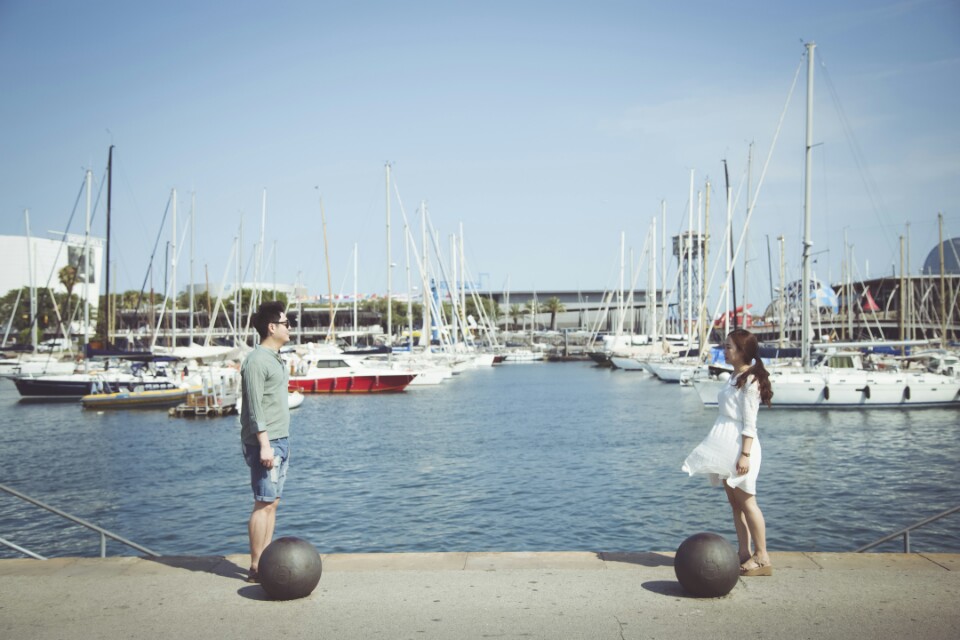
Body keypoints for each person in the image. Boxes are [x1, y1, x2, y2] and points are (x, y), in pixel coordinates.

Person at [682, 328, 774, 576]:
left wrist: (745, 455)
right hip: (726, 448)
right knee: (735, 504)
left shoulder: (751, 381)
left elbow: (750, 424)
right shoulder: (734, 376)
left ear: (742, 351)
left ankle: (762, 556)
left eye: (729, 347)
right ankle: (744, 553)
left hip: (741, 449)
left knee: (748, 502)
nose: (724, 350)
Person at [240, 300, 292, 583]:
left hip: (280, 440)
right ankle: (256, 566)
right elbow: (254, 407)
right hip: (266, 442)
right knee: (263, 502)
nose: (290, 328)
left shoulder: (276, 358)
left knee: (272, 502)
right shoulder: (257, 361)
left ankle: (266, 562)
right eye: (286, 323)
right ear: (272, 328)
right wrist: (264, 445)